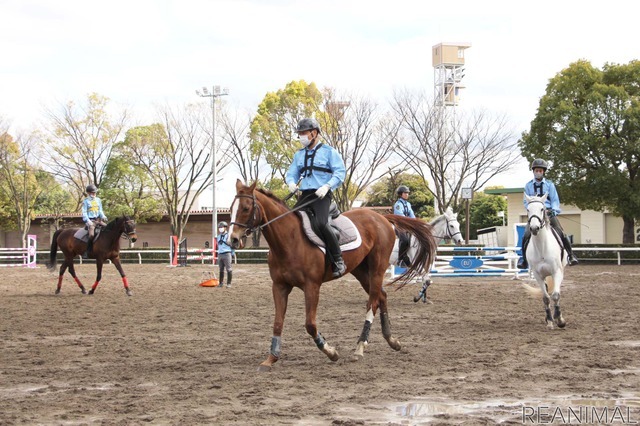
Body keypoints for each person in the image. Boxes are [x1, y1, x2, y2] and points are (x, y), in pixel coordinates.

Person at [285, 117, 347, 278]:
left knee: (320, 223)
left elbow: (340, 173)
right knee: (289, 223)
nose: (301, 137)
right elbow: (291, 173)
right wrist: (291, 182)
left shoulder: (329, 152)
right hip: (305, 195)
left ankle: (338, 260)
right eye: (299, 134)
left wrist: (327, 186)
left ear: (314, 133)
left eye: (303, 133)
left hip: (322, 195)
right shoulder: (299, 155)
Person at [517, 158, 579, 269]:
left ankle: (571, 255)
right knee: (526, 235)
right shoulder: (528, 186)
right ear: (533, 171)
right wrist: (533, 209)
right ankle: (524, 259)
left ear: (543, 172)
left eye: (540, 170)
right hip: (535, 214)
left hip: (548, 213)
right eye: (536, 170)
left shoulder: (550, 185)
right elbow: (526, 201)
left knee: (561, 233)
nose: (538, 172)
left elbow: (555, 200)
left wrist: (554, 210)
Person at [81, 184, 108, 258]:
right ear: (88, 193)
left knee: (108, 229)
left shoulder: (98, 200)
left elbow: (100, 210)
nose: (94, 194)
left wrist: (103, 216)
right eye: (92, 193)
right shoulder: (85, 201)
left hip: (98, 220)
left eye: (95, 192)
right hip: (90, 220)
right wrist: (87, 220)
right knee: (91, 235)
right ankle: (87, 251)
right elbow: (84, 212)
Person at [393, 185, 415, 267]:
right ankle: (400, 259)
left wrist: (416, 223)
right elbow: (401, 216)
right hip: (400, 226)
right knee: (405, 240)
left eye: (407, 193)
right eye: (405, 193)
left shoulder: (408, 204)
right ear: (400, 194)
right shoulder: (398, 204)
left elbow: (412, 215)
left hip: (408, 226)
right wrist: (409, 221)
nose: (407, 194)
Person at [216, 221, 234, 288]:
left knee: (229, 269)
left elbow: (232, 245)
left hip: (227, 253)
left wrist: (232, 253)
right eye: (219, 227)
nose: (220, 228)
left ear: (225, 228)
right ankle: (221, 283)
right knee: (221, 269)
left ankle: (229, 283)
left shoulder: (229, 235)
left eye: (221, 227)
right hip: (220, 254)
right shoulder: (218, 236)